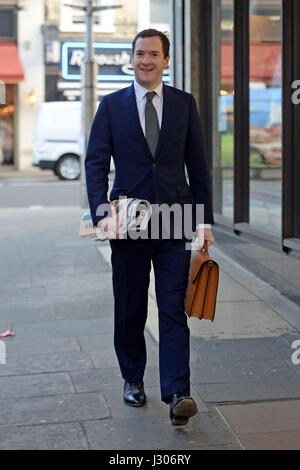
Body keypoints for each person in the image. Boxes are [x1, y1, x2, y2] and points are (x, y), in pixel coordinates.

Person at [85, 29, 215, 426]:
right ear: (131, 58)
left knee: (174, 309)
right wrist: (101, 211)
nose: (146, 60)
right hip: (129, 221)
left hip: (175, 220)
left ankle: (178, 392)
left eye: (153, 54)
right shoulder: (111, 106)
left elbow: (198, 165)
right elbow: (94, 163)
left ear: (166, 60)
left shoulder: (183, 103)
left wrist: (204, 221)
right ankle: (132, 378)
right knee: (130, 308)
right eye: (140, 54)